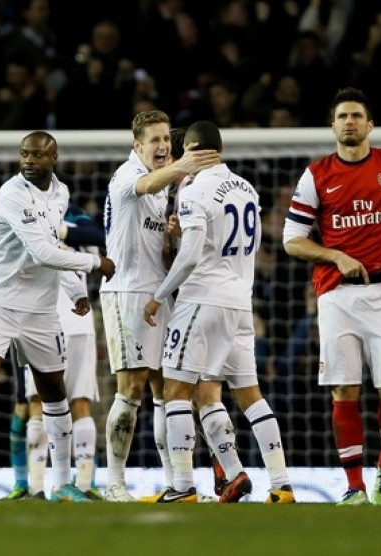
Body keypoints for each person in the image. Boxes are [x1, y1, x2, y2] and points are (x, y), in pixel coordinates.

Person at [283, 87, 381, 505]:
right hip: (336, 298)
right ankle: (354, 486)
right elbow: (291, 240)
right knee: (343, 391)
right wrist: (334, 254)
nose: (349, 122)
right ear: (332, 126)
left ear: (369, 125)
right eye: (342, 117)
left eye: (356, 116)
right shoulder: (316, 175)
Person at [0, 130, 115, 502]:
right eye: (24, 154)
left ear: (53, 158)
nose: (29, 160)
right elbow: (42, 251)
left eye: (38, 155)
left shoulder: (61, 194)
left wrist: (75, 290)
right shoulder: (11, 193)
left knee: (55, 391)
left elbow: (54, 245)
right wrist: (95, 262)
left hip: (41, 306)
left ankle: (62, 484)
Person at [142, 120, 294, 504]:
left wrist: (160, 294)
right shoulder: (246, 187)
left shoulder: (193, 189)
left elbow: (192, 256)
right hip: (240, 303)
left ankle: (181, 485)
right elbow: (249, 243)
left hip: (201, 300)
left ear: (194, 150)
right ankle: (281, 484)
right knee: (250, 396)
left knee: (176, 390)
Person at [99, 109, 220, 502]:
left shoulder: (165, 193)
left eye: (167, 139)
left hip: (158, 295)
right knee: (130, 388)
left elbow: (163, 257)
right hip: (127, 293)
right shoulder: (126, 176)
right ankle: (114, 482)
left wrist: (174, 238)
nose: (164, 145)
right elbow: (147, 183)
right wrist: (184, 166)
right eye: (155, 140)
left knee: (167, 390)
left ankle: (176, 483)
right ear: (137, 146)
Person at [7, 201, 106, 500]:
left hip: (42, 321)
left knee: (38, 403)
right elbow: (100, 236)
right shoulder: (84, 234)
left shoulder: (29, 226)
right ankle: (85, 484)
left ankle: (37, 487)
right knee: (80, 405)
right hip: (80, 323)